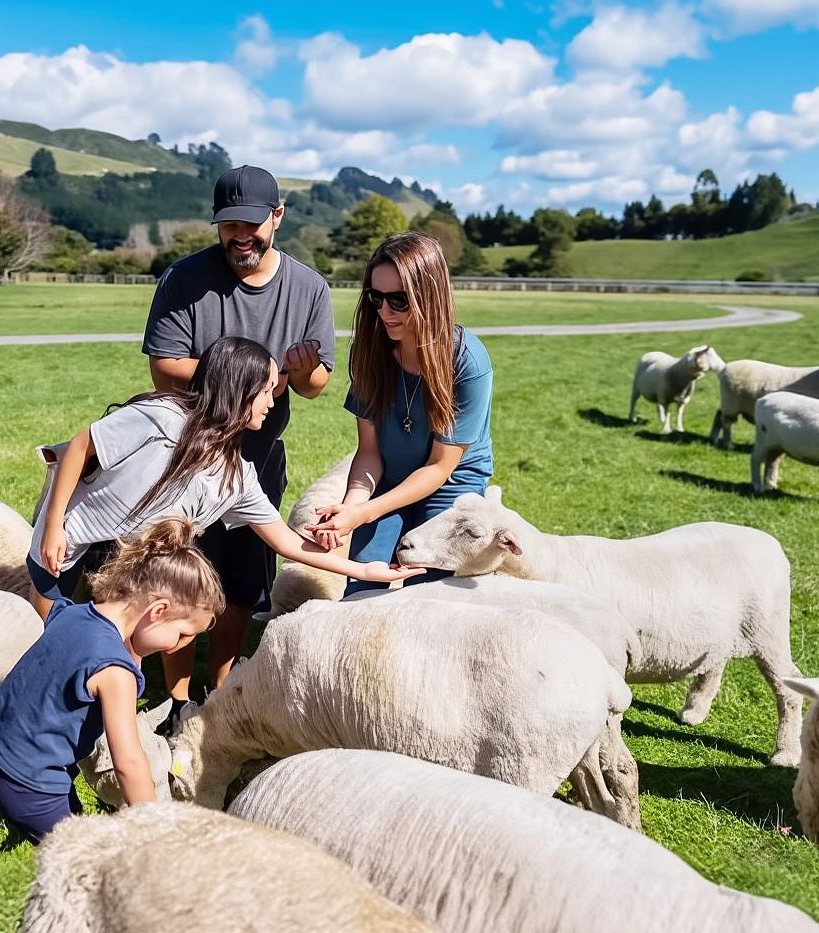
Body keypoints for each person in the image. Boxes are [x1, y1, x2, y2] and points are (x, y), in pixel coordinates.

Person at [29, 336, 416, 620]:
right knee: (44, 634)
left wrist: (364, 570)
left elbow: (285, 542)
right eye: (266, 390)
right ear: (238, 392)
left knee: (110, 643)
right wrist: (52, 528)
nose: (271, 401)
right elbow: (81, 446)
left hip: (130, 562)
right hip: (68, 541)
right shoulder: (162, 417)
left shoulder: (236, 477)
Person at [143, 164, 336, 712]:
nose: (241, 235)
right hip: (187, 452)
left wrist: (300, 372)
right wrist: (251, 375)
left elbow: (318, 385)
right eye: (229, 224)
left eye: (252, 223)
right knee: (180, 572)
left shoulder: (308, 288)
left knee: (244, 583)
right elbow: (164, 367)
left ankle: (221, 692)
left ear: (277, 218)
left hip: (259, 453)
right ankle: (177, 698)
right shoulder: (184, 279)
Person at [0, 518, 218, 842]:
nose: (178, 646)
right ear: (158, 610)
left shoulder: (73, 613)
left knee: (75, 834)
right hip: (33, 782)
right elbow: (129, 763)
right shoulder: (115, 672)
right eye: (183, 635)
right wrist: (155, 828)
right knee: (87, 864)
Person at [306, 231, 494, 595]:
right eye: (376, 298)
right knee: (363, 586)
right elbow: (370, 452)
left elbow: (440, 467)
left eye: (399, 301)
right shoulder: (372, 352)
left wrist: (365, 513)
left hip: (450, 486)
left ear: (430, 297)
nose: (384, 312)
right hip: (388, 479)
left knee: (429, 596)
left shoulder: (468, 361)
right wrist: (351, 509)